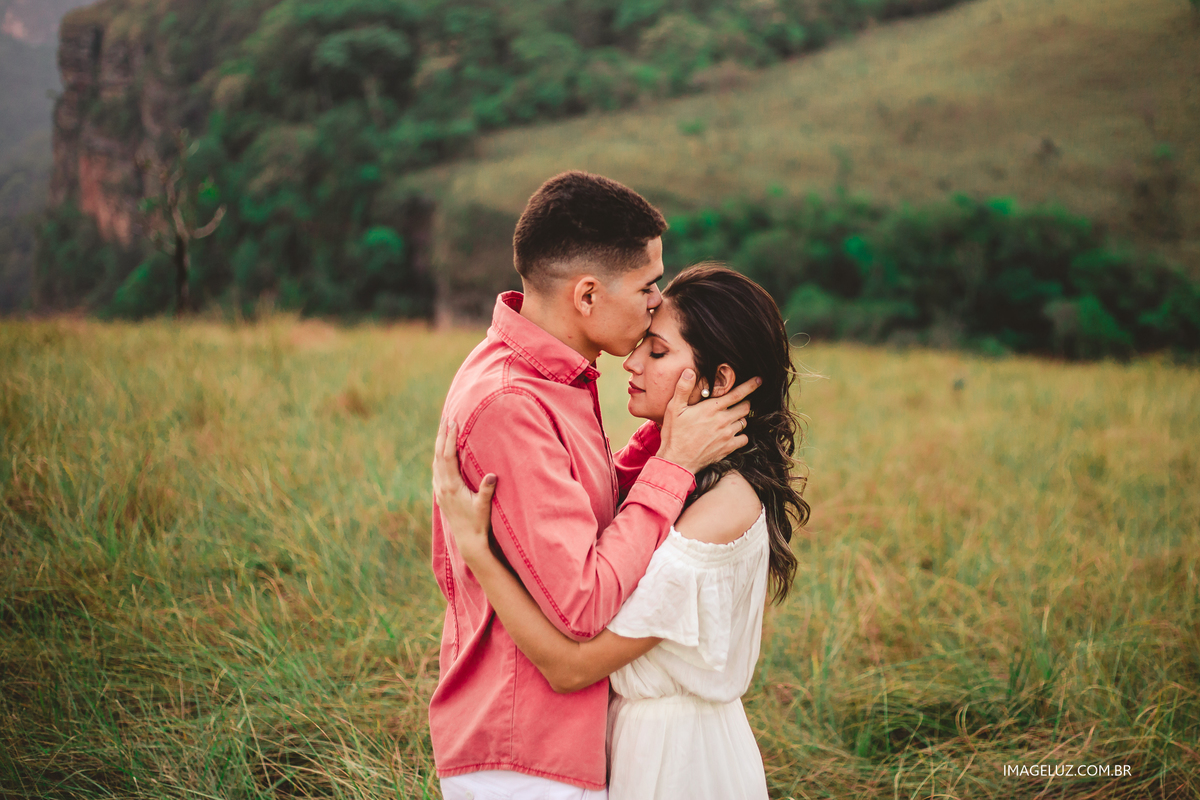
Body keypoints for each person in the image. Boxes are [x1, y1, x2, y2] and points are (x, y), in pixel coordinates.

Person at [429, 173, 760, 799]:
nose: (656, 302)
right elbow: (582, 605)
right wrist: (674, 466)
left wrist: (668, 441)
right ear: (586, 296)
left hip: (560, 745)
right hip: (525, 754)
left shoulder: (554, 378)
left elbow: (595, 511)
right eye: (646, 285)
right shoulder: (510, 403)